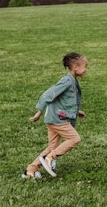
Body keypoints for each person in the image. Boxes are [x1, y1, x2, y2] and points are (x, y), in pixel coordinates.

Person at [21, 52, 88, 180]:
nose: (86, 70)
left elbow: (65, 101)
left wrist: (77, 111)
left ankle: (30, 170)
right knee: (75, 139)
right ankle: (50, 157)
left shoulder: (72, 81)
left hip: (54, 118)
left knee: (52, 146)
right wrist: (39, 111)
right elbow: (48, 95)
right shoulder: (67, 81)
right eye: (85, 66)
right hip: (58, 120)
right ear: (75, 67)